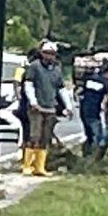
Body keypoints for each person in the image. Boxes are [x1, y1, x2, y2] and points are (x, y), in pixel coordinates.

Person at [19, 41, 68, 176]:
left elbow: (61, 89)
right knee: (34, 136)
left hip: (50, 107)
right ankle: (27, 165)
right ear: (42, 53)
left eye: (52, 54)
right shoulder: (34, 67)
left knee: (45, 138)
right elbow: (28, 85)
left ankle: (39, 167)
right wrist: (33, 102)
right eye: (47, 53)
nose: (49, 56)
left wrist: (68, 106)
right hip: (36, 107)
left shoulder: (57, 70)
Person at [77, 55, 108, 154]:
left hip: (87, 108)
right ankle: (95, 151)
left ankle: (92, 150)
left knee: (91, 131)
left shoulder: (89, 79)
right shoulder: (103, 81)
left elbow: (80, 91)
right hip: (92, 109)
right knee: (95, 131)